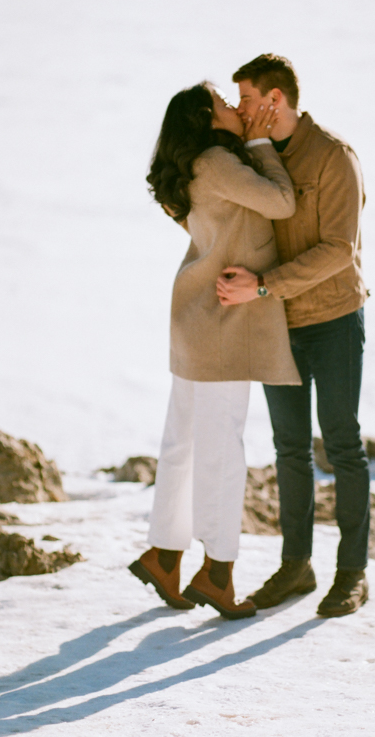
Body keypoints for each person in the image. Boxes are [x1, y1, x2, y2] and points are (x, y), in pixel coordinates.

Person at [130, 81, 300, 620]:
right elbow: (281, 201)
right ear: (207, 118)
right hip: (223, 320)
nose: (234, 106)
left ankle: (163, 552)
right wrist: (258, 145)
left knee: (183, 440)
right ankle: (219, 571)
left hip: (195, 315)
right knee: (222, 447)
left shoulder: (198, 168)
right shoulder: (221, 164)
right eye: (224, 103)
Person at [217, 54, 370, 618]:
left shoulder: (334, 156)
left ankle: (352, 573)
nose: (241, 109)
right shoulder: (252, 157)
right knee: (288, 451)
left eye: (248, 99)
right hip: (273, 323)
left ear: (275, 101)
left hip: (331, 319)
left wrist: (263, 287)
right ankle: (296, 567)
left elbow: (339, 250)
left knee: (342, 446)